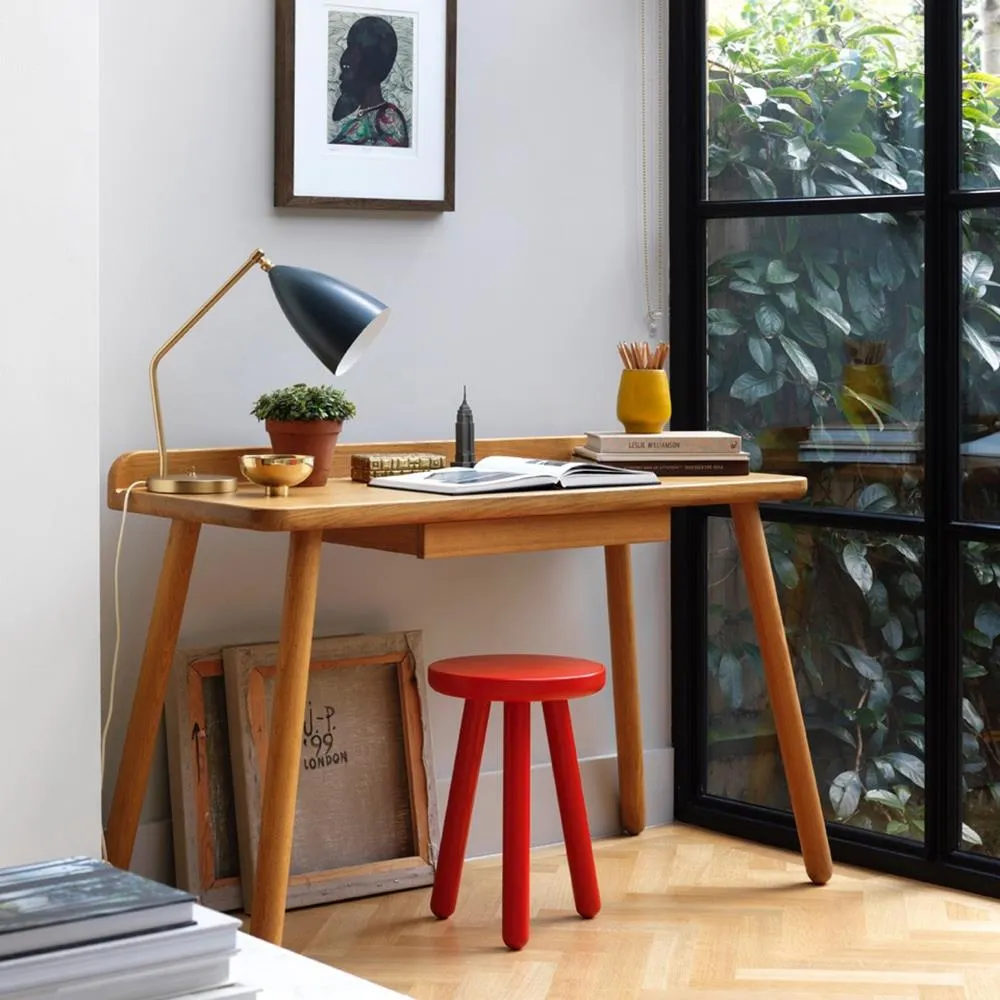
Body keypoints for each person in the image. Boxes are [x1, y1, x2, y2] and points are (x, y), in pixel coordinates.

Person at [330, 16, 409, 147]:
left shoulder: (389, 118)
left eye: (347, 69)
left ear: (370, 64)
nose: (344, 58)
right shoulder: (360, 116)